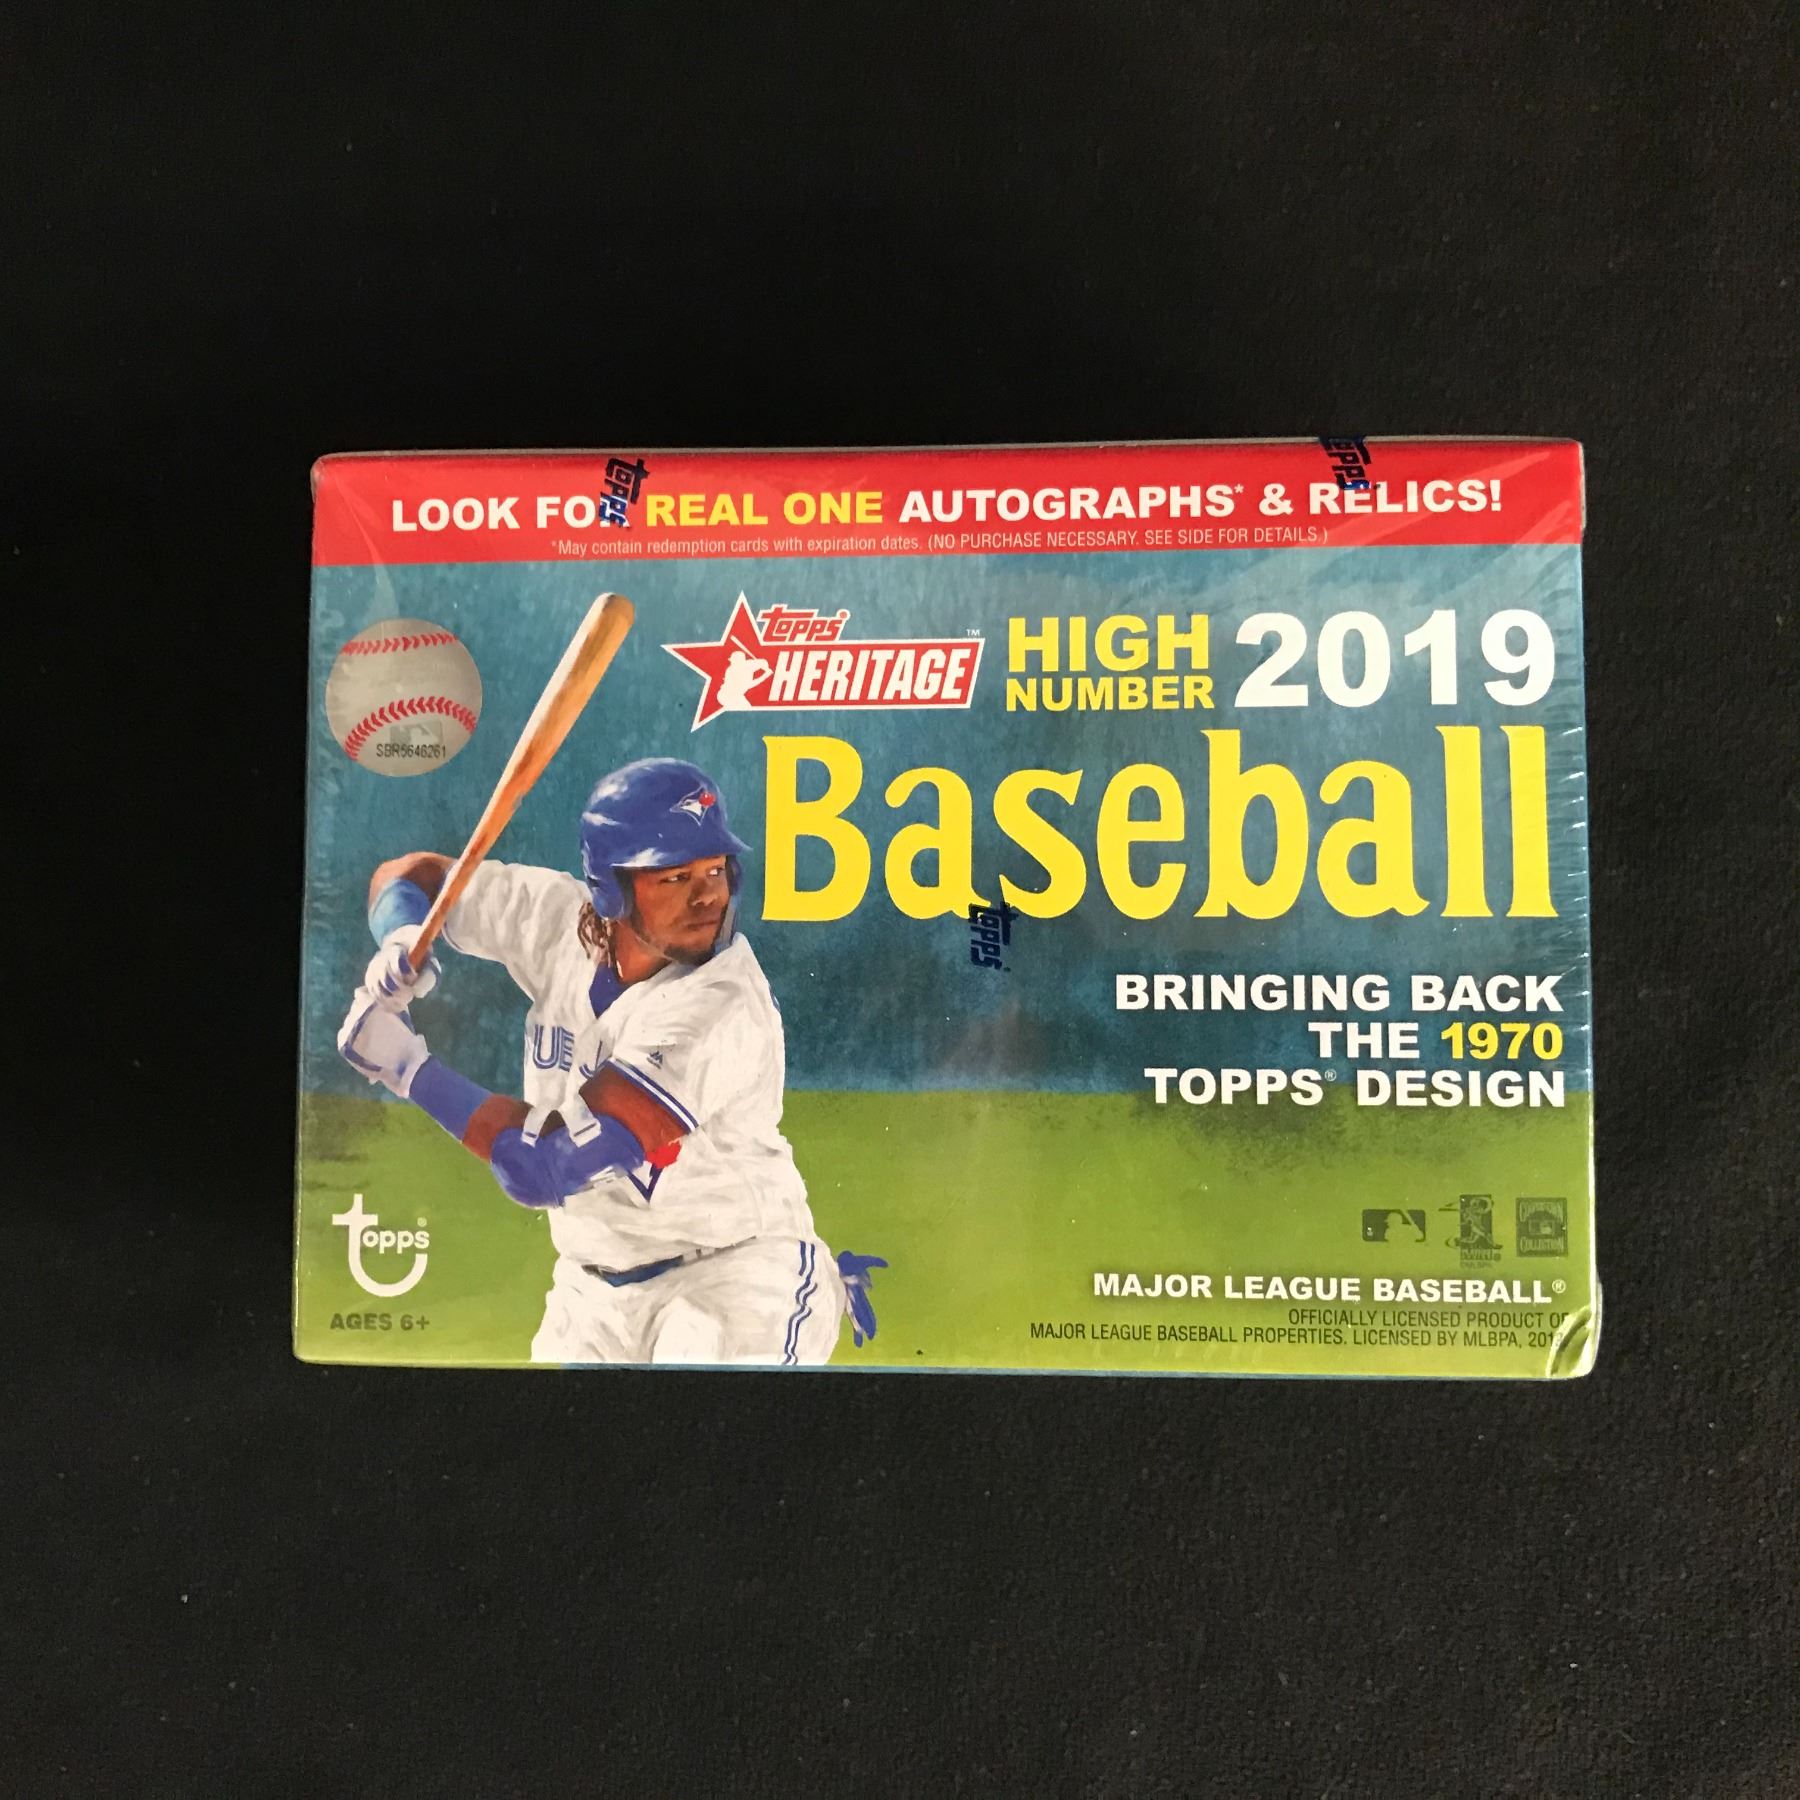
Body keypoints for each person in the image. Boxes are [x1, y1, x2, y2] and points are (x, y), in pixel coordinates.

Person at [336, 756, 883, 1365]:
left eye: (715, 869)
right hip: (591, 1289)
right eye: (675, 877)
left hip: (738, 1276)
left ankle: (824, 1287)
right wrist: (401, 935)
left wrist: (408, 1069)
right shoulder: (556, 920)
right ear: (610, 889)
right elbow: (411, 875)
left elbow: (545, 1165)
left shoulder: (722, 1003)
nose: (709, 895)